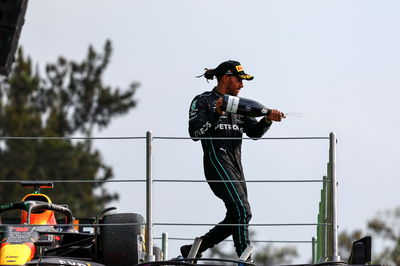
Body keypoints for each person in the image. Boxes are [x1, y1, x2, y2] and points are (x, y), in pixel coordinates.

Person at [184, 60, 285, 259]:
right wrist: (217, 113)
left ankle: (194, 249)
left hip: (236, 167)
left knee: (239, 215)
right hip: (216, 164)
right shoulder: (202, 101)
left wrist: (267, 120)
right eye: (239, 80)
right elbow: (195, 133)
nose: (242, 85)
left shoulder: (239, 106)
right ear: (226, 78)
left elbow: (254, 133)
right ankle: (245, 260)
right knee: (242, 209)